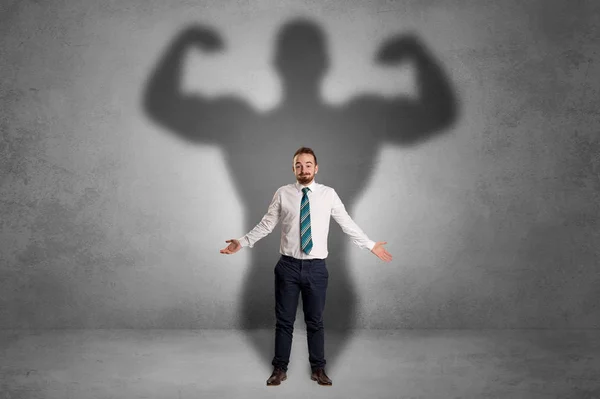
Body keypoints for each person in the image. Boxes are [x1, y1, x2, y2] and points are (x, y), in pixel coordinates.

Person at [220, 146, 392, 386]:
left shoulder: (328, 194)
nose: (303, 169)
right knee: (284, 321)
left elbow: (347, 224)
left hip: (316, 269)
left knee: (316, 321)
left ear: (316, 167)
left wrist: (371, 245)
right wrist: (242, 242)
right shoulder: (283, 193)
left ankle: (318, 369)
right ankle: (279, 369)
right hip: (287, 267)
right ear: (293, 168)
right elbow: (266, 224)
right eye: (298, 165)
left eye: (308, 164)